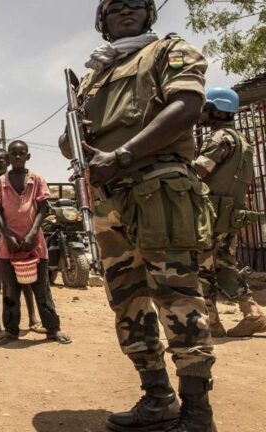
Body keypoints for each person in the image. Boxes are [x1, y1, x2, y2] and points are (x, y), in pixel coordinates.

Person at [58, 1, 216, 431]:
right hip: (111, 201)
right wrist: (78, 140)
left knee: (177, 298)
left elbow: (186, 107)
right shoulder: (93, 79)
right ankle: (157, 398)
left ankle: (198, 415)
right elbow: (71, 144)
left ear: (149, 15)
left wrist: (122, 154)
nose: (126, 10)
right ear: (102, 23)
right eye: (115, 7)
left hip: (159, 189)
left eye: (136, 5)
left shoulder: (169, 51)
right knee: (128, 301)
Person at [194, 87, 266, 338]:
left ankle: (212, 323)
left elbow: (199, 173)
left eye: (207, 108)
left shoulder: (219, 138)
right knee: (225, 266)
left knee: (201, 268)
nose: (202, 113)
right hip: (230, 214)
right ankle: (253, 313)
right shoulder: (243, 141)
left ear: (217, 110)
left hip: (210, 215)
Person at [0, 141, 70, 345]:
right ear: (8, 158)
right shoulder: (1, 182)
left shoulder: (36, 179)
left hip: (35, 243)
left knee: (41, 289)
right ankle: (11, 331)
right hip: (9, 245)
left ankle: (53, 329)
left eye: (21, 153)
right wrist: (7, 235)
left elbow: (44, 207)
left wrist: (33, 233)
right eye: (13, 154)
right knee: (10, 289)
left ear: (28, 156)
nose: (17, 157)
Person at [0, 147, 43, 336]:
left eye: (0, 160)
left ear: (7, 161)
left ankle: (33, 318)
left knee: (25, 276)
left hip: (19, 236)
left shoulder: (21, 181)